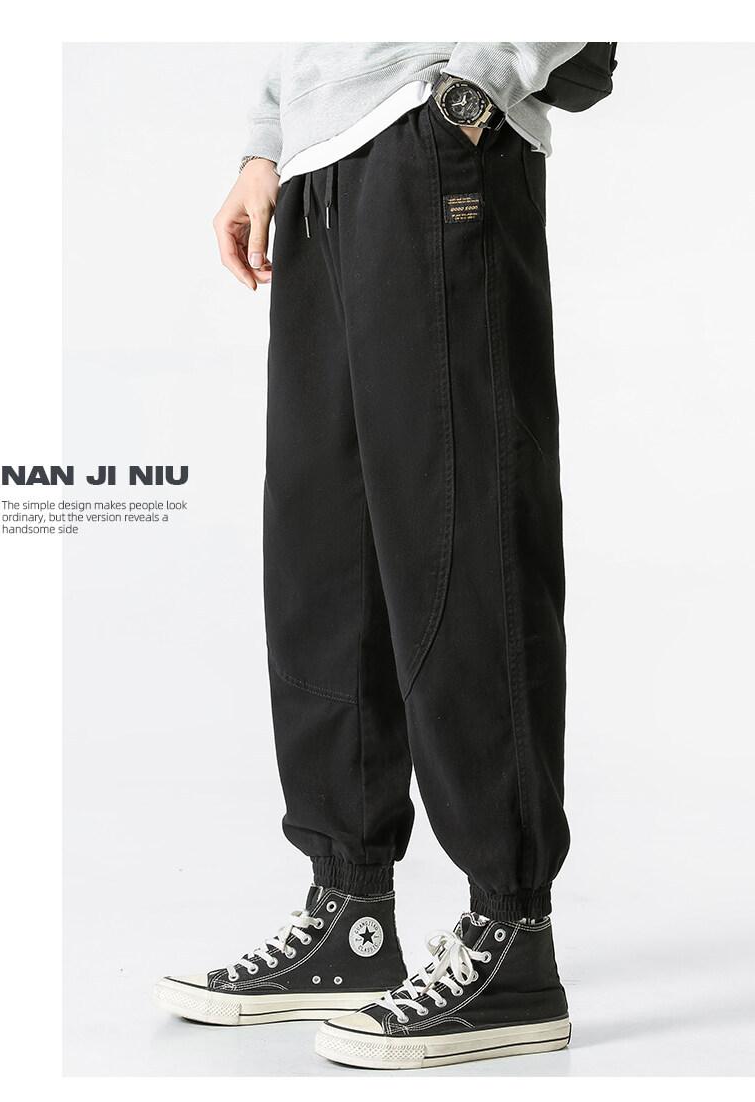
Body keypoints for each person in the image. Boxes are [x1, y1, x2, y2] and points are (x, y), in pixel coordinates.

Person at [156, 41, 588, 1070]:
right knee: (326, 555)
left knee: (462, 535)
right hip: (319, 170)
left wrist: (479, 83)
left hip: (431, 137)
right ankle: (350, 915)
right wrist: (266, 146)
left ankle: (511, 939)